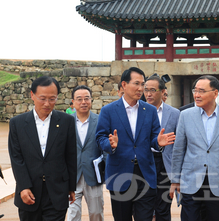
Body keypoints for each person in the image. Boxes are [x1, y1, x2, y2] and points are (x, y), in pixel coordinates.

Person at [96, 67, 176, 221]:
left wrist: (159, 143)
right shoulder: (108, 111)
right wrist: (110, 144)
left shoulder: (150, 110)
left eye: (143, 85)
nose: (141, 89)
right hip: (119, 175)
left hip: (145, 174)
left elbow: (154, 138)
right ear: (124, 85)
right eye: (137, 84)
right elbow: (100, 138)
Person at [170, 75, 219, 221]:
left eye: (201, 91)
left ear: (215, 93)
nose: (196, 95)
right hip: (190, 181)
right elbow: (178, 150)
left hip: (218, 181)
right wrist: (175, 179)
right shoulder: (185, 115)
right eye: (195, 90)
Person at [8, 75, 77, 221]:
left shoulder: (66, 121)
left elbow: (70, 155)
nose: (47, 103)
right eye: (42, 98)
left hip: (57, 190)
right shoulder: (17, 123)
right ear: (32, 95)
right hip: (29, 191)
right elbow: (16, 158)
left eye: (52, 99)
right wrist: (23, 186)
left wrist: (71, 187)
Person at [144, 75, 180, 221]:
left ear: (163, 91)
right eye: (146, 90)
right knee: (144, 207)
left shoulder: (174, 113)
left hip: (165, 164)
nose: (148, 94)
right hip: (145, 163)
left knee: (163, 207)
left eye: (153, 90)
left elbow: (179, 145)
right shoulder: (139, 111)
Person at [67, 85, 105, 221]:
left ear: (91, 100)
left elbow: (105, 147)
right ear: (73, 102)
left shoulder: (100, 120)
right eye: (79, 99)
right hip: (72, 176)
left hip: (93, 176)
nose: (83, 102)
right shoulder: (66, 122)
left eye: (86, 98)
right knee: (73, 214)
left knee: (96, 213)